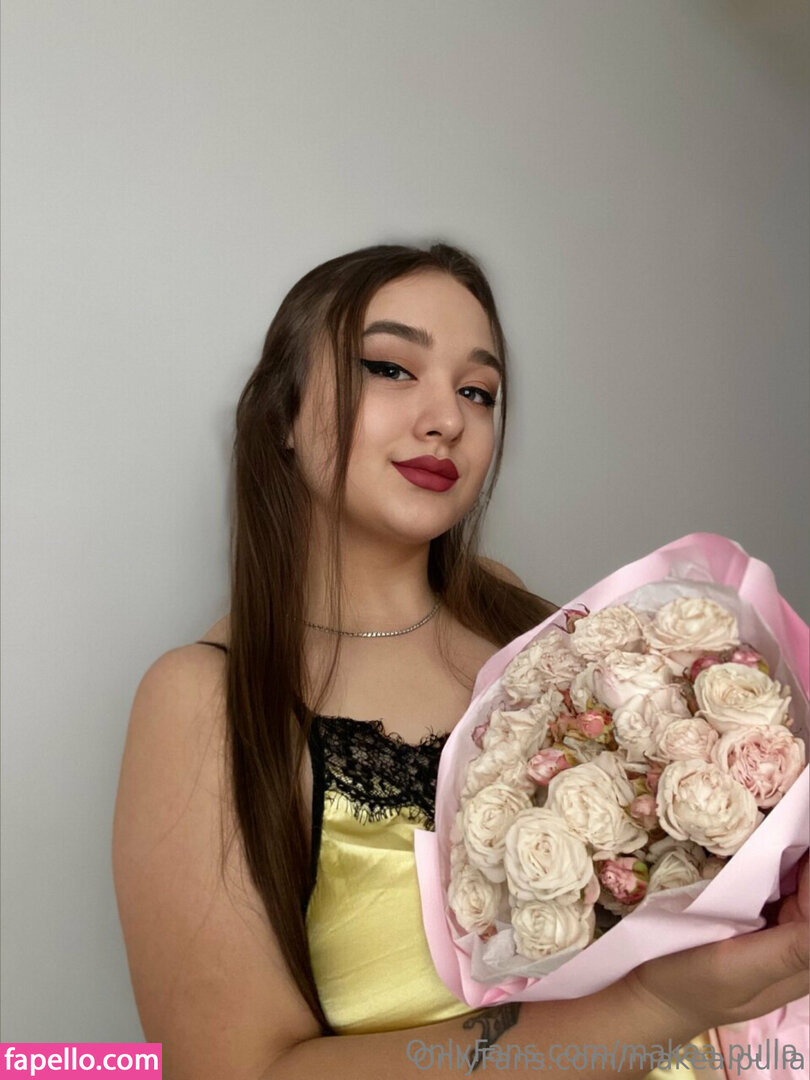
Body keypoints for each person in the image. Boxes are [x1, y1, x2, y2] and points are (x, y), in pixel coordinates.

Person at [112, 242, 809, 1080]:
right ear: (282, 413)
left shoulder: (552, 636)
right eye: (389, 368)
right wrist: (659, 1007)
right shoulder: (208, 700)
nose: (447, 418)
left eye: (477, 391)